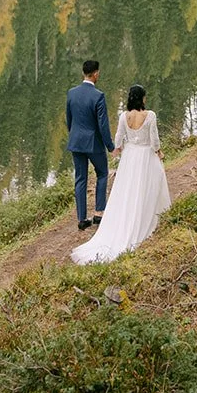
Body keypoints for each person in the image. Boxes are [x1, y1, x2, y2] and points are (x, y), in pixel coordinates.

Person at [72, 83, 171, 264]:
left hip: (130, 156)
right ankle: (146, 219)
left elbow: (118, 139)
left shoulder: (124, 117)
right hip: (145, 155)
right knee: (146, 187)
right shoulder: (150, 116)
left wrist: (117, 150)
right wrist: (159, 152)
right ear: (142, 98)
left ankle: (125, 220)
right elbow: (154, 140)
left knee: (127, 190)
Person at [66, 58, 114, 232]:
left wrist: (75, 135)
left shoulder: (71, 93)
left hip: (76, 142)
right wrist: (110, 145)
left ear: (83, 73)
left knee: (80, 179)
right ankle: (99, 213)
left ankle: (81, 219)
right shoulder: (98, 96)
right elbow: (103, 125)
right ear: (96, 74)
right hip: (93, 144)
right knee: (102, 173)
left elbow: (69, 120)